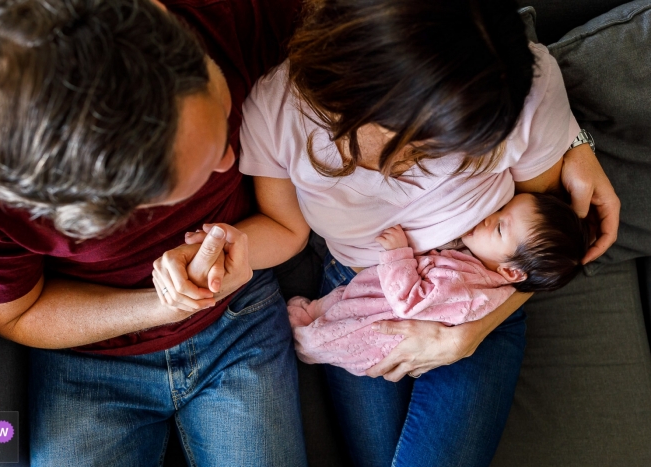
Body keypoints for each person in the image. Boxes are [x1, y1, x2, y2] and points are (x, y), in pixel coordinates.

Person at [156, 0, 620, 465]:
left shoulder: (519, 82)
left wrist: (467, 333)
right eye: (430, 148)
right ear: (362, 103)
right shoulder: (276, 113)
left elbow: (533, 242)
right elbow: (284, 229)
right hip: (361, 301)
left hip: (478, 284)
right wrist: (224, 249)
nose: (436, 164)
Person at [0, 0, 309, 465]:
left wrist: (236, 255)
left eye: (222, 113)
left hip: (240, 312)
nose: (230, 161)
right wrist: (163, 304)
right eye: (194, 177)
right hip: (86, 354)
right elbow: (16, 314)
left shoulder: (235, 13)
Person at [287, 193, 590, 376]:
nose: (487, 218)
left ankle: (306, 341)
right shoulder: (485, 270)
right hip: (380, 303)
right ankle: (313, 316)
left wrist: (397, 254)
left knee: (337, 330)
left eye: (498, 227)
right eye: (500, 209)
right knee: (340, 303)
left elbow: (409, 301)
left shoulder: (465, 284)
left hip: (383, 325)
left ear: (511, 273)